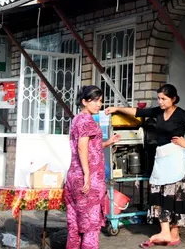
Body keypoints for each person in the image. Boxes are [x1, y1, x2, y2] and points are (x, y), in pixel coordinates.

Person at [106, 84, 185, 248]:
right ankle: (172, 235)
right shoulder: (158, 112)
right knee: (158, 192)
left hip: (176, 159)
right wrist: (116, 109)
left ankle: (167, 232)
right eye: (159, 98)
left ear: (173, 99)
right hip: (162, 158)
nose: (160, 101)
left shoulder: (181, 114)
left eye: (164, 99)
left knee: (175, 196)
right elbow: (138, 112)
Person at [65, 85, 120, 249]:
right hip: (87, 177)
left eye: (101, 101)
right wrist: (87, 175)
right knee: (90, 224)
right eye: (95, 101)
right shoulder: (87, 121)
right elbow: (82, 147)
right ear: (84, 101)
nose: (99, 105)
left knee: (75, 222)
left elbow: (90, 148)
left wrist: (108, 143)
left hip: (73, 175)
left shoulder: (77, 119)